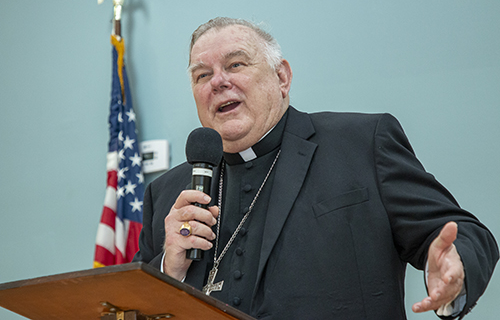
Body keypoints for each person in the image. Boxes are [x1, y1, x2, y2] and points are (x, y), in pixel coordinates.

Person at [133, 17, 498, 319]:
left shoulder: (360, 143)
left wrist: (456, 267)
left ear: (282, 78)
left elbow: (461, 230)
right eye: (201, 75)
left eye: (236, 64)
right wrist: (169, 267)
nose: (218, 82)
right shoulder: (167, 193)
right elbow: (127, 306)